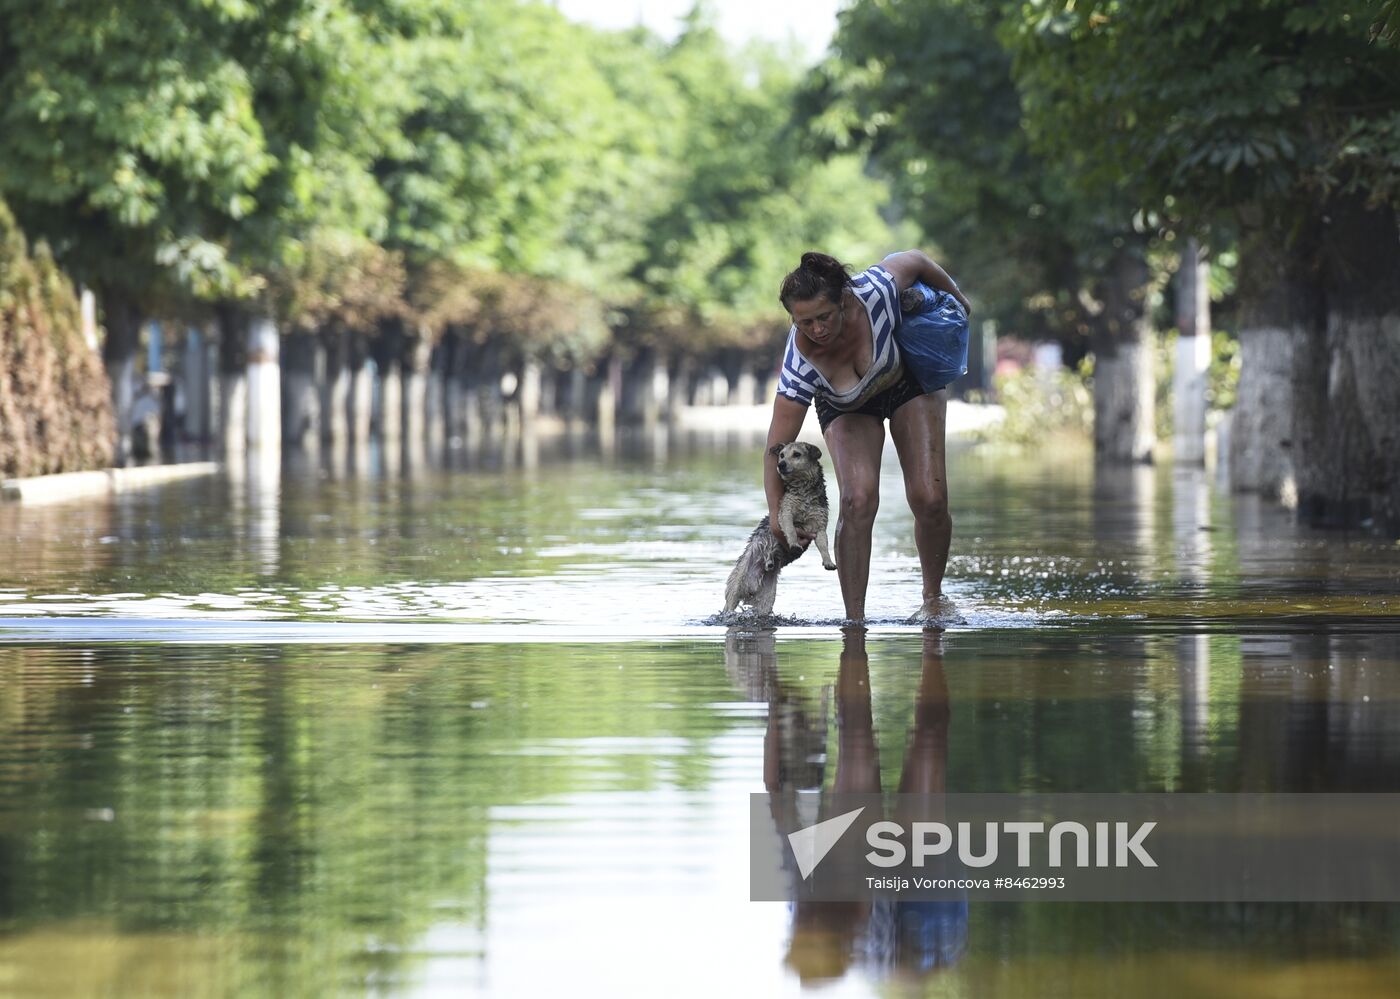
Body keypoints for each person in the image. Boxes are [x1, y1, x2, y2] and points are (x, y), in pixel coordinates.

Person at [765, 250, 972, 623]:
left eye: (824, 317)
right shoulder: (801, 363)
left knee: (930, 497)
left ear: (844, 300)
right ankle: (854, 624)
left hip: (906, 381)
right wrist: (777, 517)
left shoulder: (876, 290)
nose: (817, 330)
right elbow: (774, 449)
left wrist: (959, 299)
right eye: (804, 322)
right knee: (857, 501)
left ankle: (933, 600)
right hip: (845, 405)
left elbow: (918, 260)